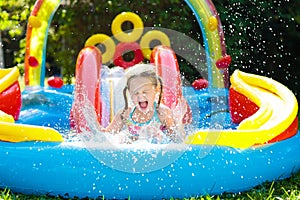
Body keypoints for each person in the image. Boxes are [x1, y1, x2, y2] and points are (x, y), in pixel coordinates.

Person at [99, 63, 186, 144]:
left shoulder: (162, 113)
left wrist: (179, 123)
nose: (140, 96)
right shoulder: (125, 114)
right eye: (136, 93)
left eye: (145, 92)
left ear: (156, 90)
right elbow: (107, 136)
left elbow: (177, 140)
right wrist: (96, 129)